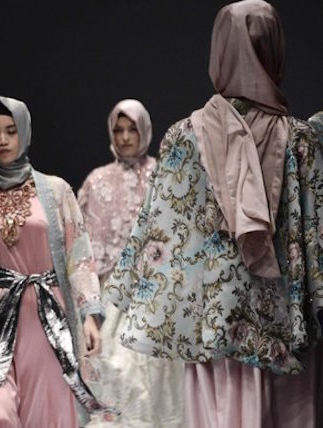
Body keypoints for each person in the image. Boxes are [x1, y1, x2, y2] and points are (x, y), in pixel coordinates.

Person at [104, 2, 323, 427]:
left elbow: (161, 235)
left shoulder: (185, 137)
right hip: (286, 332)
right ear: (274, 50)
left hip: (213, 328)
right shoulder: (300, 140)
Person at [0, 96, 113, 427]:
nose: (3, 140)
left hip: (46, 314)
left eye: (11, 131)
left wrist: (89, 315)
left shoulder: (56, 191)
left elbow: (78, 255)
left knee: (44, 414)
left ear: (25, 132)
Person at [77, 99, 184, 427]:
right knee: (117, 378)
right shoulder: (97, 181)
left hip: (160, 298)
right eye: (118, 130)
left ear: (145, 131)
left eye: (132, 129)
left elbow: (179, 236)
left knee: (161, 389)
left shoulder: (164, 176)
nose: (124, 137)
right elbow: (83, 250)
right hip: (113, 298)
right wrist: (89, 309)